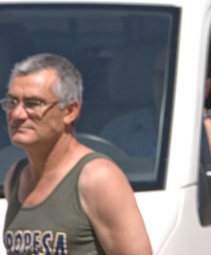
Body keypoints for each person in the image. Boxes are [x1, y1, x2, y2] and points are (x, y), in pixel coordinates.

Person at [2, 53, 152, 254]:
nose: (17, 114)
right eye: (12, 102)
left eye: (33, 104)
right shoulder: (16, 176)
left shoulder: (98, 178)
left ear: (70, 111)